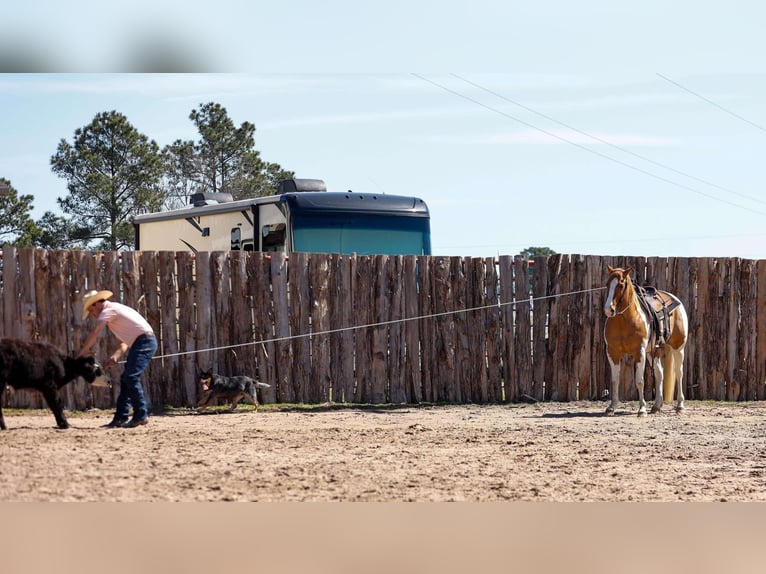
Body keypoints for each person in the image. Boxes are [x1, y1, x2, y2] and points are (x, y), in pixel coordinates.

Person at [77, 289, 157, 428]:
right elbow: (124, 342)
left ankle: (141, 415)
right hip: (143, 341)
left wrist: (81, 354)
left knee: (130, 377)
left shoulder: (108, 311)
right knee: (126, 378)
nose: (93, 315)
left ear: (96, 304)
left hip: (144, 341)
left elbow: (95, 332)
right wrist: (115, 356)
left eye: (91, 310)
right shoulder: (115, 311)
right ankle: (120, 417)